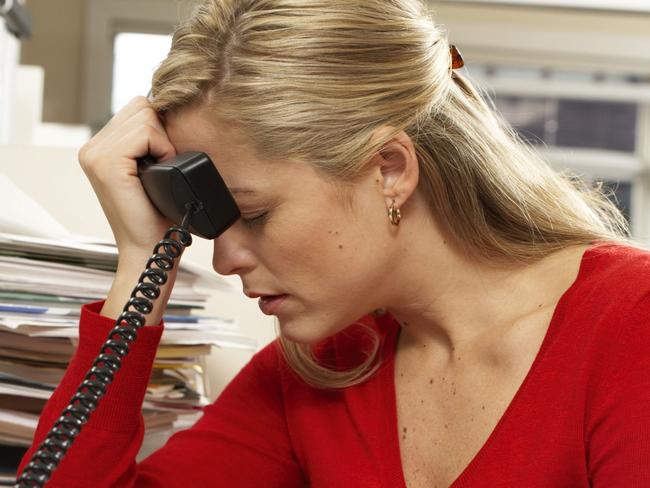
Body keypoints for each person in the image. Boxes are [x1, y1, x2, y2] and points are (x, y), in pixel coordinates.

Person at [17, 0, 650, 486]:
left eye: (255, 214)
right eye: (211, 221)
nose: (225, 259)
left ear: (390, 170)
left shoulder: (630, 324)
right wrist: (139, 259)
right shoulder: (323, 368)